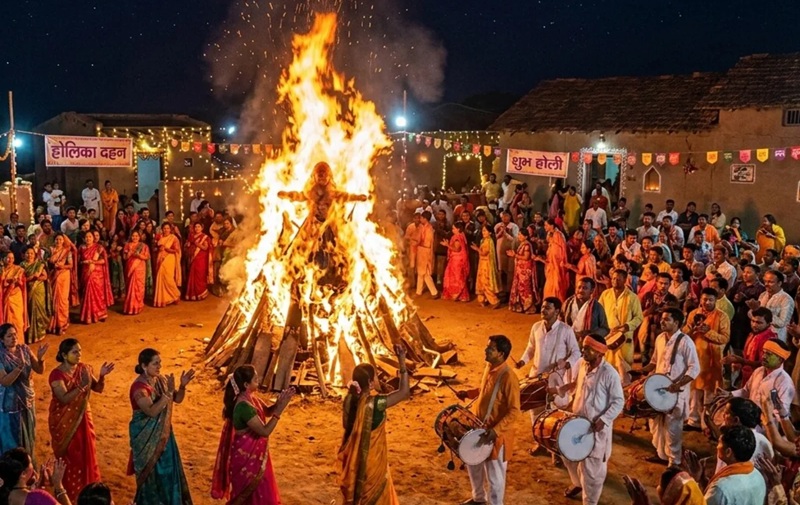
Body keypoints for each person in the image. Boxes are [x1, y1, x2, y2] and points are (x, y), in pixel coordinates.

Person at [211, 365, 295, 505]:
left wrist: (280, 403)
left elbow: (267, 411)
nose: (258, 381)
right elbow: (264, 431)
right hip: (247, 463)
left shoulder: (251, 399)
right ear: (246, 384)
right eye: (255, 379)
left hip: (253, 459)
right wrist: (279, 412)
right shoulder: (244, 407)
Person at [338, 344, 410, 505]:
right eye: (375, 377)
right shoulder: (376, 404)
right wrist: (402, 362)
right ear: (370, 383)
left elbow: (346, 427)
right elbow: (404, 392)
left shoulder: (349, 400)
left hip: (354, 464)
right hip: (373, 465)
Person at [557, 334, 624, 504]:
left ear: (600, 353)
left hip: (595, 429)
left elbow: (618, 401)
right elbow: (578, 386)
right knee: (569, 456)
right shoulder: (582, 365)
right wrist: (565, 394)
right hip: (577, 423)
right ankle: (578, 483)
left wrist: (604, 419)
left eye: (588, 348)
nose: (583, 351)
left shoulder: (610, 374)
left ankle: (590, 501)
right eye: (584, 347)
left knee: (592, 471)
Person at [49, 338, 115, 500]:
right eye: (74, 352)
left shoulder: (84, 369)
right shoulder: (56, 375)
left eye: (79, 351)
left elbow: (98, 388)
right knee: (72, 455)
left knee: (87, 451)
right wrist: (81, 386)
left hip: (84, 417)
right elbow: (63, 399)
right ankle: (69, 494)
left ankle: (89, 490)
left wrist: (102, 376)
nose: (79, 354)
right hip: (64, 422)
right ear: (64, 355)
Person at [458, 335, 520, 505]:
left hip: (496, 435)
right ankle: (479, 499)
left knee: (495, 476)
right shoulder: (489, 367)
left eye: (490, 349)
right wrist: (468, 393)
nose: (486, 350)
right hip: (479, 428)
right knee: (474, 465)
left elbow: (514, 411)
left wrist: (495, 431)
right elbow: (485, 391)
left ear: (501, 354)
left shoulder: (509, 378)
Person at [128, 348, 195, 504]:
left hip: (165, 436)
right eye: (155, 363)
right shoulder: (139, 388)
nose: (159, 366)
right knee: (151, 475)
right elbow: (151, 411)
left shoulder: (161, 380)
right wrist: (168, 393)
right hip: (146, 440)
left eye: (160, 363)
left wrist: (182, 386)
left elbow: (177, 399)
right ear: (144, 366)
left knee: (169, 473)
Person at [640, 308, 700, 466]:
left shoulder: (686, 342)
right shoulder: (660, 338)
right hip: (658, 390)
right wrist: (642, 371)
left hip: (676, 393)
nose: (662, 321)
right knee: (656, 424)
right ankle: (661, 454)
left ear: (677, 323)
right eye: (662, 318)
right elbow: (654, 362)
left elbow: (694, 368)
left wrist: (677, 385)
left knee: (673, 428)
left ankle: (674, 462)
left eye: (667, 319)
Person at [517, 297, 581, 433]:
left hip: (555, 378)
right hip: (536, 375)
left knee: (553, 411)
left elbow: (576, 352)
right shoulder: (536, 327)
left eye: (547, 308)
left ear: (557, 311)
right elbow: (531, 347)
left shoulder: (566, 330)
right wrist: (523, 361)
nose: (543, 310)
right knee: (535, 409)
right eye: (543, 307)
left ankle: (550, 438)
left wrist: (567, 363)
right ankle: (538, 437)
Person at [684, 288, 730, 431]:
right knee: (694, 391)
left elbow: (724, 338)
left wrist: (708, 332)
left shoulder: (722, 316)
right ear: (700, 299)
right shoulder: (693, 314)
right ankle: (693, 421)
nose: (707, 302)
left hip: (712, 360)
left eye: (710, 300)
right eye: (705, 299)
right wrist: (692, 329)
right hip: (694, 358)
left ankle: (707, 425)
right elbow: (685, 333)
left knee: (709, 394)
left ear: (716, 300)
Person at [0, 324, 47, 456]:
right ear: (2, 339)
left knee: (28, 431)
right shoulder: (1, 356)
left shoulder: (24, 349)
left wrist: (41, 358)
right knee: (13, 437)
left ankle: (27, 460)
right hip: (10, 402)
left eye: (15, 334)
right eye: (9, 336)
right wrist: (18, 369)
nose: (14, 338)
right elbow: (5, 381)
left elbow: (39, 370)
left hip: (27, 399)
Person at [598, 269, 644, 385]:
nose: (615, 281)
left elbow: (639, 317)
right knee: (607, 368)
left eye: (618, 279)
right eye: (613, 278)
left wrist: (627, 327)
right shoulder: (605, 294)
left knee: (623, 370)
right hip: (608, 337)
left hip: (625, 338)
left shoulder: (632, 297)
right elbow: (599, 313)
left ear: (625, 280)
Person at [731, 338, 794, 420]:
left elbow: (782, 413)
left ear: (780, 359)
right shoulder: (759, 371)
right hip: (750, 421)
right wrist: (730, 394)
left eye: (769, 354)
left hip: (767, 425)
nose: (763, 356)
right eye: (763, 352)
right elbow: (746, 391)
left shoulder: (784, 382)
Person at [703, 425, 766, 505]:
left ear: (728, 452)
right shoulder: (758, 476)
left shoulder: (721, 488)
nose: (717, 447)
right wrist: (701, 478)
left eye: (719, 443)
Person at [722, 307, 776, 387]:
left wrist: (741, 360)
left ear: (768, 324)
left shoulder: (769, 339)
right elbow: (747, 356)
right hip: (747, 377)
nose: (754, 325)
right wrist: (740, 363)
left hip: (760, 380)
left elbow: (763, 364)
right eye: (752, 321)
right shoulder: (753, 334)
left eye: (759, 323)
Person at [0, 448, 70, 505]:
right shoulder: (38, 498)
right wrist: (58, 486)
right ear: (23, 474)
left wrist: (36, 486)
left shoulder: (4, 494)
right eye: (30, 462)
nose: (32, 466)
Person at [637, 273, 679, 365]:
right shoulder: (648, 296)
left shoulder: (672, 299)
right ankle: (645, 361)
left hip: (663, 327)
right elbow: (641, 314)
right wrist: (654, 305)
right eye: (661, 283)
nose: (663, 286)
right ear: (656, 282)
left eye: (666, 283)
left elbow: (674, 317)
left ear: (670, 284)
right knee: (646, 322)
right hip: (646, 327)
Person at [747, 269, 793, 342]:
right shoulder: (763, 295)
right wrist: (753, 309)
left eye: (770, 282)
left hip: (775, 338)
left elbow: (782, 323)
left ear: (779, 283)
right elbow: (752, 315)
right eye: (765, 281)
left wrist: (760, 311)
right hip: (759, 335)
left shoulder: (786, 299)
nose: (766, 284)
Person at [78, 232, 113, 324]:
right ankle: (88, 315)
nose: (88, 238)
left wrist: (92, 262)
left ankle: (100, 314)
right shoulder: (81, 248)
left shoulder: (99, 248)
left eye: (90, 236)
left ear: (93, 238)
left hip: (97, 274)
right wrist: (84, 262)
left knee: (98, 294)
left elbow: (103, 261)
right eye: (86, 237)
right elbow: (79, 261)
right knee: (87, 293)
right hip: (86, 272)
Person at [506, 227, 538, 314]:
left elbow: (526, 257)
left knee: (525, 288)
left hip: (525, 271)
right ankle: (521, 306)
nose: (519, 236)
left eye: (520, 235)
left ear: (526, 236)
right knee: (520, 287)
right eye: (519, 234)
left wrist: (515, 255)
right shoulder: (522, 244)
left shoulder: (526, 245)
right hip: (520, 270)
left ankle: (529, 307)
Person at [21, 248, 50, 344]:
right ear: (24, 255)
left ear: (35, 255)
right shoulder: (21, 266)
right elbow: (22, 280)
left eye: (31, 253)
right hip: (28, 290)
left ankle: (40, 333)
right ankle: (31, 335)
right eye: (27, 253)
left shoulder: (39, 264)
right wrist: (31, 277)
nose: (29, 255)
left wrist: (38, 278)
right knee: (30, 311)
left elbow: (45, 276)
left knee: (39, 310)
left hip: (39, 290)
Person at [153, 223, 182, 308]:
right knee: (161, 277)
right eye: (164, 228)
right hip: (160, 258)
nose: (166, 230)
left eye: (167, 228)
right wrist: (157, 248)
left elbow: (176, 250)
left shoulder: (173, 238)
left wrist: (165, 248)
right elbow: (155, 248)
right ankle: (165, 299)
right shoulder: (160, 237)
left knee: (168, 277)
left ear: (170, 229)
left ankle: (176, 294)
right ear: (162, 229)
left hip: (170, 258)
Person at [472, 224, 500, 308]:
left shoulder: (488, 241)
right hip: (482, 263)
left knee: (485, 282)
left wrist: (477, 249)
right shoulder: (483, 240)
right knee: (481, 281)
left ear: (490, 232)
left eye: (485, 231)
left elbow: (484, 253)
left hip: (486, 265)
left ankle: (494, 301)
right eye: (482, 231)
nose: (483, 232)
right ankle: (482, 300)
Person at [122, 231, 150, 315]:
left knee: (139, 287)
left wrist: (139, 255)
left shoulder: (144, 246)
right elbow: (125, 257)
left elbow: (146, 257)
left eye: (136, 236)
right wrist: (129, 253)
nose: (135, 237)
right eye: (133, 236)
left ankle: (138, 306)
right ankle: (129, 307)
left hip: (140, 268)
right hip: (130, 267)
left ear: (139, 237)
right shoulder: (127, 245)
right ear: (131, 237)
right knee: (130, 286)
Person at [2, 252, 27, 339]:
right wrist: (7, 281)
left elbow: (22, 283)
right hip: (5, 296)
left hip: (16, 296)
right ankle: (7, 341)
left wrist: (16, 281)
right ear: (3, 259)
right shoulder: (2, 270)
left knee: (17, 319)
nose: (10, 260)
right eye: (8, 258)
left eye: (12, 258)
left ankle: (19, 341)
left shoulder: (18, 269)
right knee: (6, 319)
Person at [183, 222, 211, 301]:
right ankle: (192, 294)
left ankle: (200, 293)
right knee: (192, 275)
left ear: (202, 228)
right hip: (192, 258)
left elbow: (205, 248)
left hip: (201, 259)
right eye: (196, 227)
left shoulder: (205, 237)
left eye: (199, 227)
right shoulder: (191, 236)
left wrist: (196, 243)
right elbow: (187, 245)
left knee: (200, 275)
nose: (197, 228)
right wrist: (187, 245)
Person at [542, 218, 569, 300]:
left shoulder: (558, 235)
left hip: (556, 265)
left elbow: (559, 252)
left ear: (552, 226)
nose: (545, 227)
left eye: (546, 225)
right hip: (551, 265)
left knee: (556, 285)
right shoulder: (551, 234)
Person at [415, 211, 439, 298]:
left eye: (421, 218)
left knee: (425, 273)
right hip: (422, 251)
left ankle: (434, 292)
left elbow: (427, 243)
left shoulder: (429, 229)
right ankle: (418, 291)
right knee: (421, 272)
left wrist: (416, 242)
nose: (420, 219)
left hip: (425, 251)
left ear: (425, 219)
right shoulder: (422, 227)